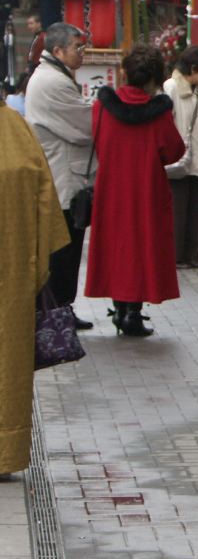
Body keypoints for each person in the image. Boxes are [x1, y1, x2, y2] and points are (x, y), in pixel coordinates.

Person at [83, 44, 185, 337]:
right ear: (154, 78)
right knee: (143, 247)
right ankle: (133, 313)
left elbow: (98, 140)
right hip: (146, 188)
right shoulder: (159, 113)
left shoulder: (103, 106)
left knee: (116, 246)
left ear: (125, 73)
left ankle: (120, 307)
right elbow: (174, 150)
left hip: (111, 187)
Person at [0, 99, 68, 477]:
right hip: (11, 276)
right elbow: (48, 206)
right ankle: (4, 450)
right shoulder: (18, 129)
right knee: (7, 362)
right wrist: (35, 267)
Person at [24, 22, 94, 330]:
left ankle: (60, 309)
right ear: (57, 51)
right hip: (63, 180)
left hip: (65, 176)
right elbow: (85, 128)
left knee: (66, 252)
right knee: (63, 253)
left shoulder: (55, 76)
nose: (81, 53)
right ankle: (57, 312)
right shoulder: (53, 83)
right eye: (77, 48)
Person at [163, 44, 198, 268]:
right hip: (178, 157)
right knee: (178, 207)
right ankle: (176, 256)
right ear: (193, 68)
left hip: (197, 155)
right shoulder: (172, 87)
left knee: (194, 207)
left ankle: (192, 255)